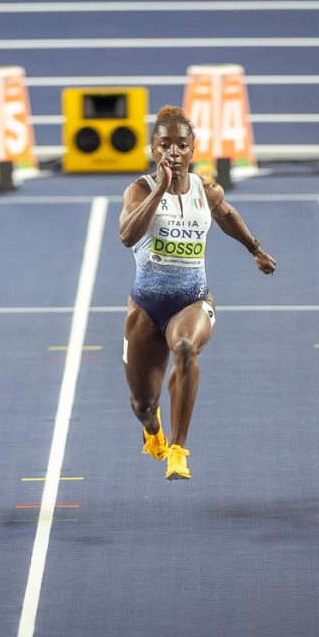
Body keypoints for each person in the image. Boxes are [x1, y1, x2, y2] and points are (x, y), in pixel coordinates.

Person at [119, 105, 277, 480]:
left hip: (193, 300)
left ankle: (179, 448)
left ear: (193, 150)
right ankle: (153, 428)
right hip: (145, 307)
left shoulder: (207, 190)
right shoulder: (139, 189)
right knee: (143, 403)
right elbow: (127, 236)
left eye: (181, 145)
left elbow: (226, 215)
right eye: (164, 144)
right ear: (153, 150)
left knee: (186, 348)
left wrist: (255, 248)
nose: (173, 152)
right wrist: (159, 188)